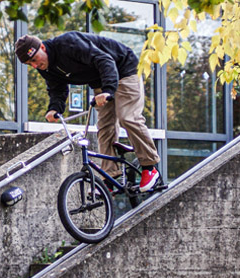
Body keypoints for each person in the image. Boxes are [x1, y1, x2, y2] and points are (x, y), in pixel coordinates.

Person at [15, 32, 162, 192]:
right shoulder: (46, 68)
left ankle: (150, 167)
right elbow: (57, 89)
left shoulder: (68, 44)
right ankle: (109, 178)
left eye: (35, 60)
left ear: (42, 47)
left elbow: (104, 60)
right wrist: (54, 108)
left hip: (124, 69)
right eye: (30, 64)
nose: (35, 66)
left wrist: (108, 90)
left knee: (127, 117)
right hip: (101, 81)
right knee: (105, 127)